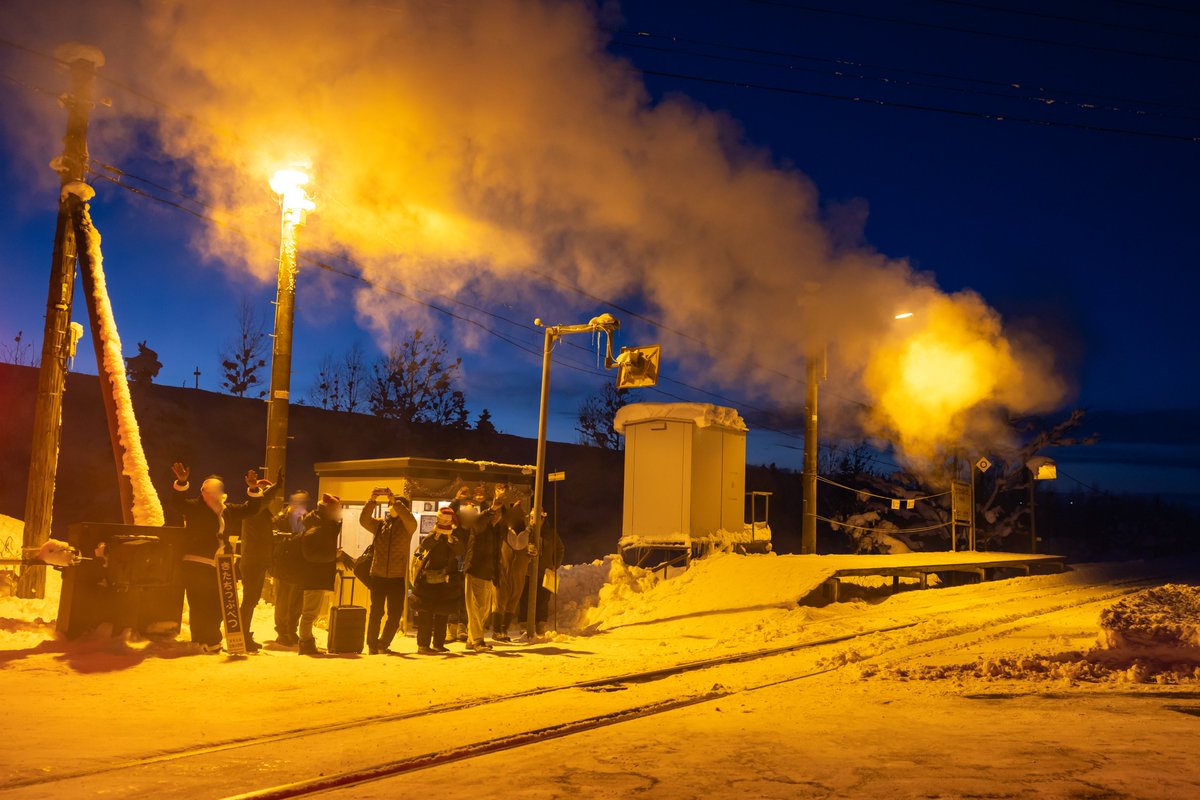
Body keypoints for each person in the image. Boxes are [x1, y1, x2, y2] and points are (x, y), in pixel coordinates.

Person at [169, 462, 273, 654]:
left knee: (218, 606)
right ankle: (202, 641)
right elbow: (178, 503)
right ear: (203, 490)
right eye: (212, 488)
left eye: (219, 488)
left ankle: (212, 639)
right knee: (200, 605)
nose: (217, 492)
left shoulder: (227, 510)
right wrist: (182, 483)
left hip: (220, 565)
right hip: (196, 563)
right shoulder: (194, 506)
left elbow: (251, 509)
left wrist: (253, 488)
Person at [237, 486, 301, 652]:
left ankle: (244, 635)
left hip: (258, 561)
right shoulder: (253, 509)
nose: (271, 500)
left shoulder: (261, 513)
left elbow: (263, 534)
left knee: (251, 601)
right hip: (253, 561)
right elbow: (262, 500)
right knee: (249, 601)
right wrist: (278, 486)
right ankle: (242, 636)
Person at [360, 486, 417, 654]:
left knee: (394, 613)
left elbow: (409, 519)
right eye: (391, 504)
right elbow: (364, 520)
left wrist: (395, 500)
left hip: (397, 576)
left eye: (396, 505)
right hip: (377, 574)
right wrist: (372, 500)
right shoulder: (380, 525)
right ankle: (371, 644)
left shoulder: (408, 527)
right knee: (376, 611)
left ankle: (383, 643)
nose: (391, 507)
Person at [294, 493, 343, 656]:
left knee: (311, 612)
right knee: (309, 612)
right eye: (336, 509)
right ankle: (305, 643)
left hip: (316, 575)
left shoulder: (320, 523)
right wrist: (332, 555)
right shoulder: (317, 527)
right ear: (328, 510)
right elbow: (310, 555)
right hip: (313, 576)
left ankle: (306, 641)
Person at [461, 487, 509, 652]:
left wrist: (496, 575)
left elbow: (496, 555)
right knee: (475, 608)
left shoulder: (497, 531)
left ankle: (470, 638)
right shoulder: (480, 528)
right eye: (494, 514)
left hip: (488, 574)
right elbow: (478, 522)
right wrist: (491, 509)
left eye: (498, 514)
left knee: (484, 610)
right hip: (475, 570)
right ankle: (478, 641)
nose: (496, 516)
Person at [411, 507, 464, 654]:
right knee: (425, 615)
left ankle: (438, 644)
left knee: (442, 613)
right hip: (427, 581)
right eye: (442, 520)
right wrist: (436, 534)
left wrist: (449, 538)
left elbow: (460, 551)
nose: (444, 523)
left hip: (446, 581)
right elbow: (425, 546)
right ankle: (423, 645)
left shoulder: (454, 537)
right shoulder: (432, 534)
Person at [269, 490, 310, 647]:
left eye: (304, 502)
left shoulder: (306, 520)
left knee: (296, 604)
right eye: (299, 501)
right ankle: (282, 632)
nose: (302, 505)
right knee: (283, 602)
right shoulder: (280, 519)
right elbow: (274, 543)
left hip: (300, 568)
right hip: (284, 568)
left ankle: (292, 630)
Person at [493, 501, 534, 643]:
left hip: (518, 574)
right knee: (500, 601)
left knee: (512, 601)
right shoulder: (504, 533)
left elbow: (533, 553)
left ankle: (503, 629)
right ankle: (497, 630)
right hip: (504, 571)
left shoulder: (529, 535)